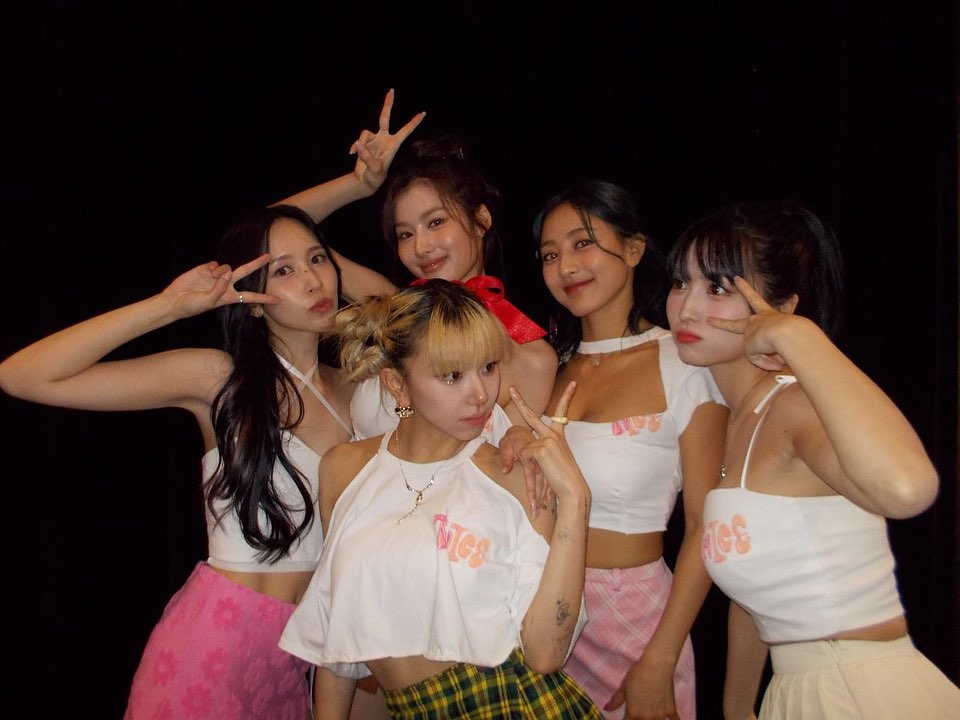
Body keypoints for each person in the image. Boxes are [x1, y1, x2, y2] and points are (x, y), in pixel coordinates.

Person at [0, 204, 384, 719]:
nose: (313, 280)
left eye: (318, 259)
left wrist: (362, 187)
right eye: (284, 270)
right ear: (251, 299)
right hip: (214, 646)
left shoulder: (360, 390)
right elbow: (22, 375)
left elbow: (410, 314)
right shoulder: (221, 379)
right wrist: (168, 307)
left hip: (300, 660)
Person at [665, 200, 960, 719]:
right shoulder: (741, 419)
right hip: (798, 688)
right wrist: (737, 708)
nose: (686, 308)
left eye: (718, 288)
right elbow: (757, 591)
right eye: (680, 282)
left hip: (857, 690)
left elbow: (909, 490)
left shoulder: (794, 406)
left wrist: (797, 337)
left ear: (781, 306)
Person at [278, 279, 603, 720]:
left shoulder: (514, 476)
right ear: (396, 384)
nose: (481, 394)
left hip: (510, 702)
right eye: (452, 375)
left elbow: (546, 653)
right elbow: (339, 631)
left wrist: (576, 500)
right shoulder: (343, 469)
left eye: (488, 367)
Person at [533, 180, 728, 720]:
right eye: (550, 254)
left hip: (636, 624)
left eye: (583, 243)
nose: (566, 266)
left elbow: (706, 526)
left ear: (635, 249)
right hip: (539, 616)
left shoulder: (683, 363)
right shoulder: (543, 366)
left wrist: (659, 660)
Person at [282, 89, 558, 445]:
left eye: (435, 222)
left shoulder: (532, 358)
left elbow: (506, 471)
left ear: (481, 220)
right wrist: (358, 184)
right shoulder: (392, 311)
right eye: (405, 234)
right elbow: (276, 228)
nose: (421, 247)